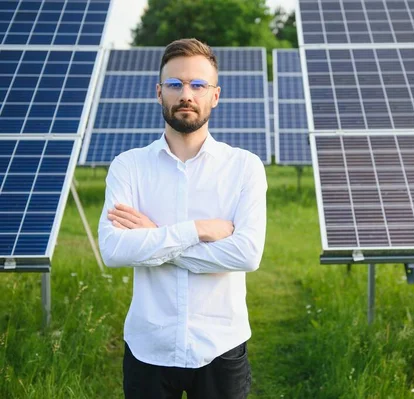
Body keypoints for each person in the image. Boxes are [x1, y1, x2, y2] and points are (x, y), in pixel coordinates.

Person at [97, 38, 267, 399]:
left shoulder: (244, 167)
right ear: (159, 92)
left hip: (220, 345)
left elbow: (247, 254)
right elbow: (114, 250)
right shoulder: (129, 166)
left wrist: (155, 239)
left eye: (198, 85)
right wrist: (198, 230)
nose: (186, 93)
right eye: (175, 84)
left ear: (215, 95)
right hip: (148, 345)